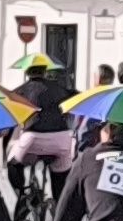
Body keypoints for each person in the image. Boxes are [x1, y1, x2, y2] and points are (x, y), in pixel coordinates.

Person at [8, 54, 78, 210]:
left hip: (32, 139)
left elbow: (8, 106)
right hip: (62, 140)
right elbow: (76, 98)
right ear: (45, 71)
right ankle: (60, 207)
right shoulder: (60, 89)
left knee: (12, 164)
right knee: (61, 176)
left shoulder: (20, 91)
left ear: (27, 72)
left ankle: (22, 194)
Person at [74, 65, 118, 154]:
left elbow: (77, 126)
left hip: (87, 150)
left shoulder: (87, 100)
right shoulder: (116, 100)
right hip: (110, 150)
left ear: (97, 79)